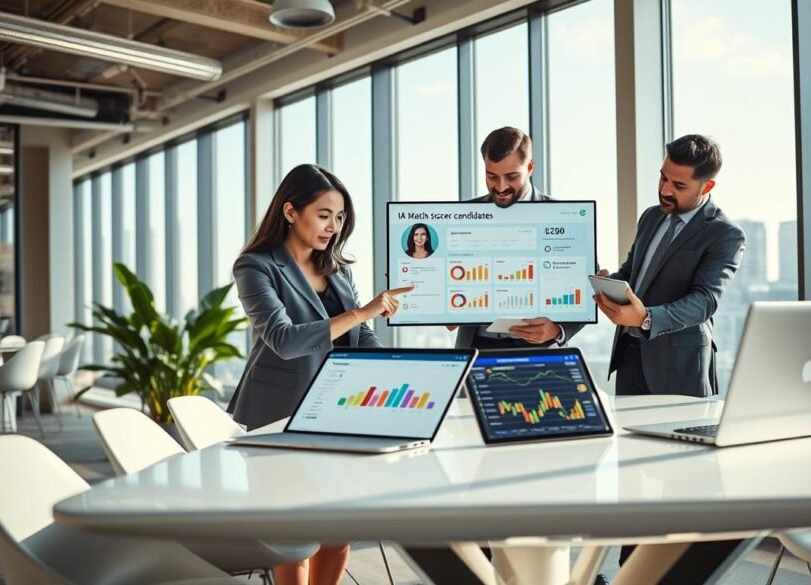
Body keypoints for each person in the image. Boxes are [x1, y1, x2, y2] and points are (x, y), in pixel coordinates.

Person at [229, 163, 413, 585]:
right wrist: (362, 312)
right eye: (325, 214)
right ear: (291, 212)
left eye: (341, 216)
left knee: (337, 530)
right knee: (295, 537)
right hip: (280, 416)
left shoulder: (337, 268)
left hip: (338, 411)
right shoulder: (256, 267)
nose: (334, 226)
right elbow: (284, 339)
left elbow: (359, 335)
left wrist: (396, 368)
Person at [593, 134, 745, 577]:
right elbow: (634, 272)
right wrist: (610, 282)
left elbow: (705, 301)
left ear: (706, 187)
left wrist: (644, 319)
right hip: (633, 363)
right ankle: (628, 575)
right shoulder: (650, 218)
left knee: (680, 488)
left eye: (678, 185)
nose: (665, 190)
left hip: (680, 370)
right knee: (632, 482)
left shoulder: (725, 234)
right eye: (663, 177)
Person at [450, 126, 584, 349]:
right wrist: (444, 308)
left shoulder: (565, 217)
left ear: (530, 167)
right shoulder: (461, 216)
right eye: (492, 176)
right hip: (476, 349)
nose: (501, 187)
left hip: (539, 349)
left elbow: (587, 288)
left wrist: (558, 330)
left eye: (511, 176)